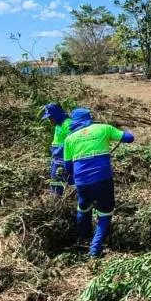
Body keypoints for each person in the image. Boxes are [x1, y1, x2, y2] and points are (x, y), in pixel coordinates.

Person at [63, 107, 134, 259]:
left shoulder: (69, 138)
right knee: (105, 212)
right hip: (102, 179)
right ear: (89, 117)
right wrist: (126, 132)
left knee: (83, 208)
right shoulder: (103, 128)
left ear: (74, 121)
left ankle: (82, 239)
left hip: (81, 182)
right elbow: (129, 138)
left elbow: (68, 167)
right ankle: (95, 250)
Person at [40, 103, 72, 196]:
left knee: (57, 179)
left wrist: (60, 150)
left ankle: (56, 198)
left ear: (56, 115)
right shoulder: (59, 124)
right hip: (57, 157)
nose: (50, 121)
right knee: (56, 179)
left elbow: (72, 139)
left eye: (50, 118)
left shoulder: (67, 123)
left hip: (62, 158)